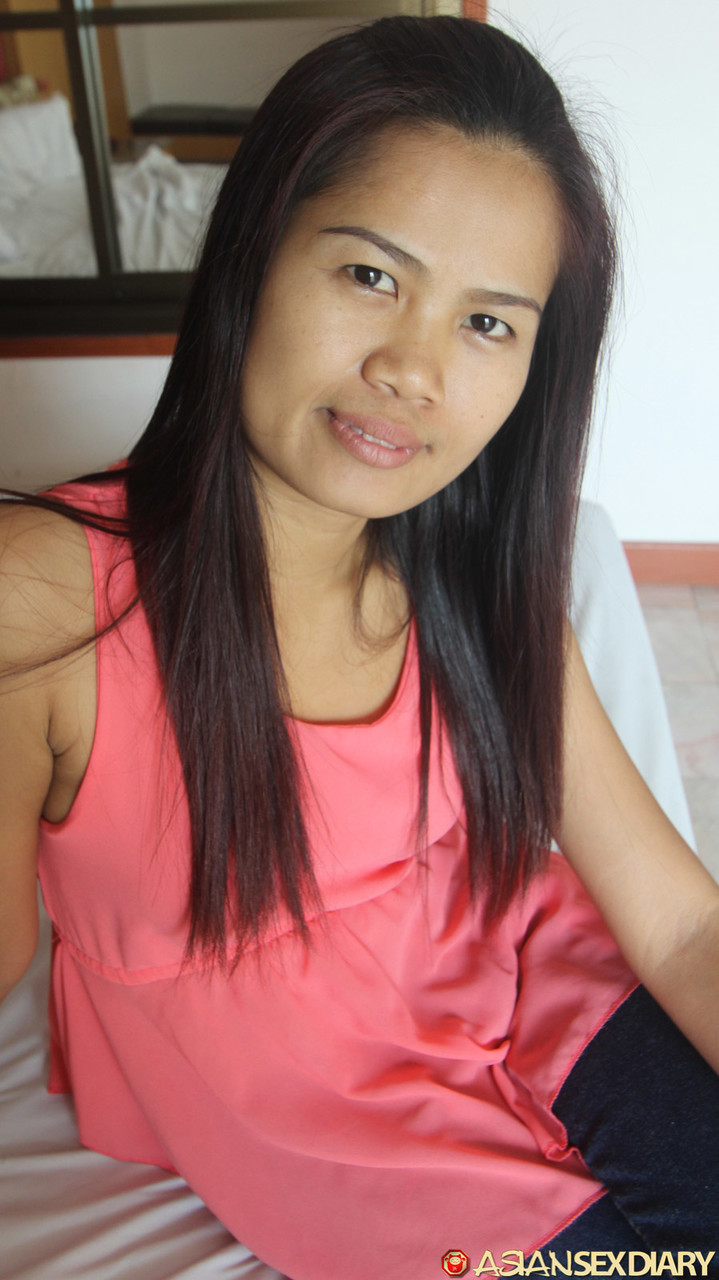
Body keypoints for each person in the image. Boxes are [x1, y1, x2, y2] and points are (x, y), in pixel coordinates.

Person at [0, 16, 717, 1277]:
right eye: (371, 276)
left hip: (539, 975)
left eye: (487, 324)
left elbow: (672, 925)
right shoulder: (53, 598)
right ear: (253, 251)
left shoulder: (475, 568)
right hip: (323, 1113)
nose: (411, 371)